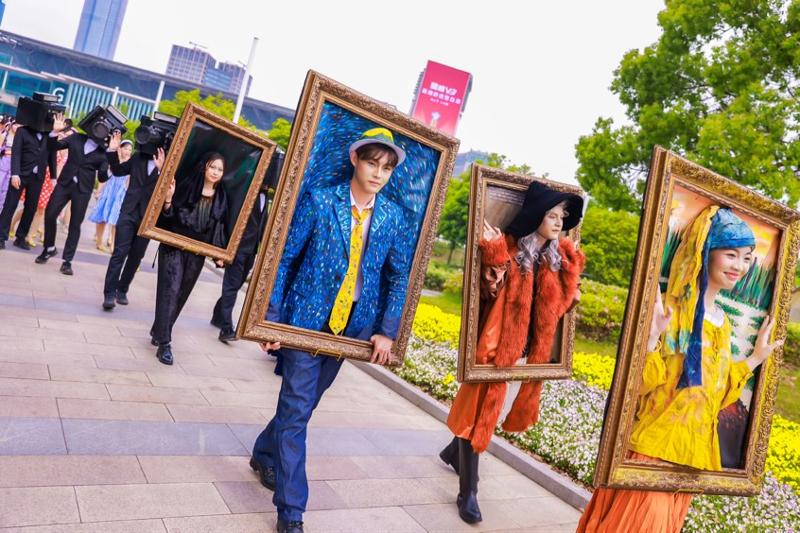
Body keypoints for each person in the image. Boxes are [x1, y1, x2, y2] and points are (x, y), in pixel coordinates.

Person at [576, 206, 781, 533]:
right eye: (731, 255)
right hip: (653, 452)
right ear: (706, 252)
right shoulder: (673, 311)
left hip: (689, 461)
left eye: (746, 258)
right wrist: (651, 338)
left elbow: (713, 395)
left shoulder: (722, 323)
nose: (740, 266)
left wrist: (756, 358)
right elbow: (641, 385)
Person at [251, 128, 413, 533]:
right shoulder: (321, 201)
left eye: (387, 168)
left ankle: (263, 452)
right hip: (305, 320)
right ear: (355, 159)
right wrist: (271, 318)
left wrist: (387, 330)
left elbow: (397, 277)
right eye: (372, 163)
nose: (378, 174)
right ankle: (291, 511)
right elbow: (284, 260)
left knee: (302, 406)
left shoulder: (393, 217)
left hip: (350, 329)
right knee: (297, 410)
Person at [440, 181, 585, 524]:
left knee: (487, 414)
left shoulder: (555, 260)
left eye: (562, 216)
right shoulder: (507, 248)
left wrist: (572, 276)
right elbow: (487, 290)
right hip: (495, 348)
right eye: (552, 215)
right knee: (478, 416)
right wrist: (493, 254)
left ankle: (453, 452)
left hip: (527, 352)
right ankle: (468, 491)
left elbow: (559, 308)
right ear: (536, 216)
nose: (559, 222)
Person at [150, 152, 228, 365]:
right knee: (170, 291)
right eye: (212, 167)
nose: (215, 172)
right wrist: (168, 200)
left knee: (181, 295)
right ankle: (165, 344)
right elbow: (167, 219)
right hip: (173, 248)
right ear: (204, 167)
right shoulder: (186, 186)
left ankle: (159, 330)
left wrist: (219, 254)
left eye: (220, 169)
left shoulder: (221, 198)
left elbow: (218, 229)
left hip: (196, 254)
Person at [210, 153, 282, 342]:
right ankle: (226, 328)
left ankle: (218, 315)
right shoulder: (246, 193)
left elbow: (261, 224)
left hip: (251, 251)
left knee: (235, 285)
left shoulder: (267, 198)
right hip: (237, 248)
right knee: (231, 286)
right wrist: (222, 250)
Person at [35, 112, 109, 275]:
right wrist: (54, 132)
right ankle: (49, 248)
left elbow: (103, 177)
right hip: (64, 183)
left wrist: (111, 156)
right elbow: (53, 147)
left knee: (75, 225)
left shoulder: (104, 152)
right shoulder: (76, 138)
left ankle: (67, 261)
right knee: (50, 214)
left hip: (83, 190)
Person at [101, 131, 164, 310]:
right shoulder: (137, 157)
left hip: (148, 217)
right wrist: (112, 151)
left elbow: (168, 189)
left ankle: (122, 289)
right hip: (128, 211)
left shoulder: (168, 163)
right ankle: (109, 294)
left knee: (136, 256)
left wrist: (162, 170)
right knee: (119, 252)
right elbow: (118, 171)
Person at [0, 117, 57, 251]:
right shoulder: (22, 131)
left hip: (38, 177)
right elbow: (16, 153)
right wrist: (15, 173)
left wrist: (53, 177)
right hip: (20, 174)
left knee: (31, 208)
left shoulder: (49, 135)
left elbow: (52, 156)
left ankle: (21, 237)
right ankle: (1, 237)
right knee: (10, 205)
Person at [89, 139, 132, 252]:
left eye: (130, 150)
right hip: (109, 191)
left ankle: (112, 243)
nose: (128, 151)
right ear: (120, 149)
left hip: (120, 193)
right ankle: (99, 241)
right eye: (126, 149)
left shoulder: (130, 164)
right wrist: (99, 191)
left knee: (116, 220)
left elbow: (129, 181)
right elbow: (104, 178)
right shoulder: (114, 161)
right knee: (102, 217)